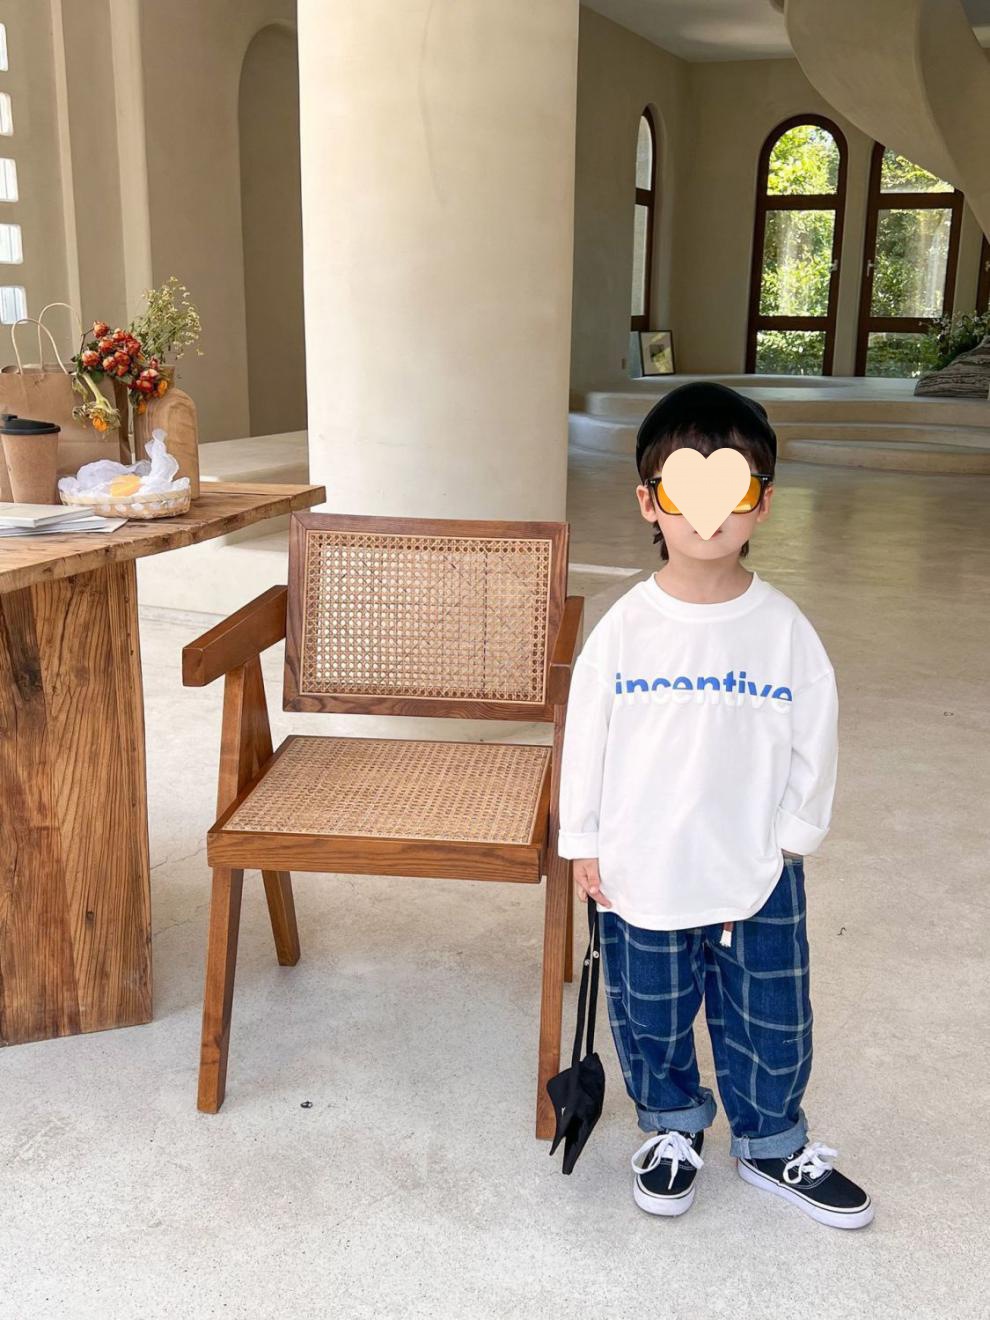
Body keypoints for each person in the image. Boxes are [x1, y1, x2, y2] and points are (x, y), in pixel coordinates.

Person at [556, 381, 872, 1230]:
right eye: (684, 490)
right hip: (643, 865)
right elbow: (586, 739)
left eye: (730, 490)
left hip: (757, 866)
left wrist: (795, 834)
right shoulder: (624, 630)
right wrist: (584, 839)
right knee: (650, 1012)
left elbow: (815, 733)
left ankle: (771, 1141)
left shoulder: (783, 629)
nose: (706, 515)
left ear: (761, 503)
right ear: (649, 502)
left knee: (772, 1014)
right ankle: (672, 1127)